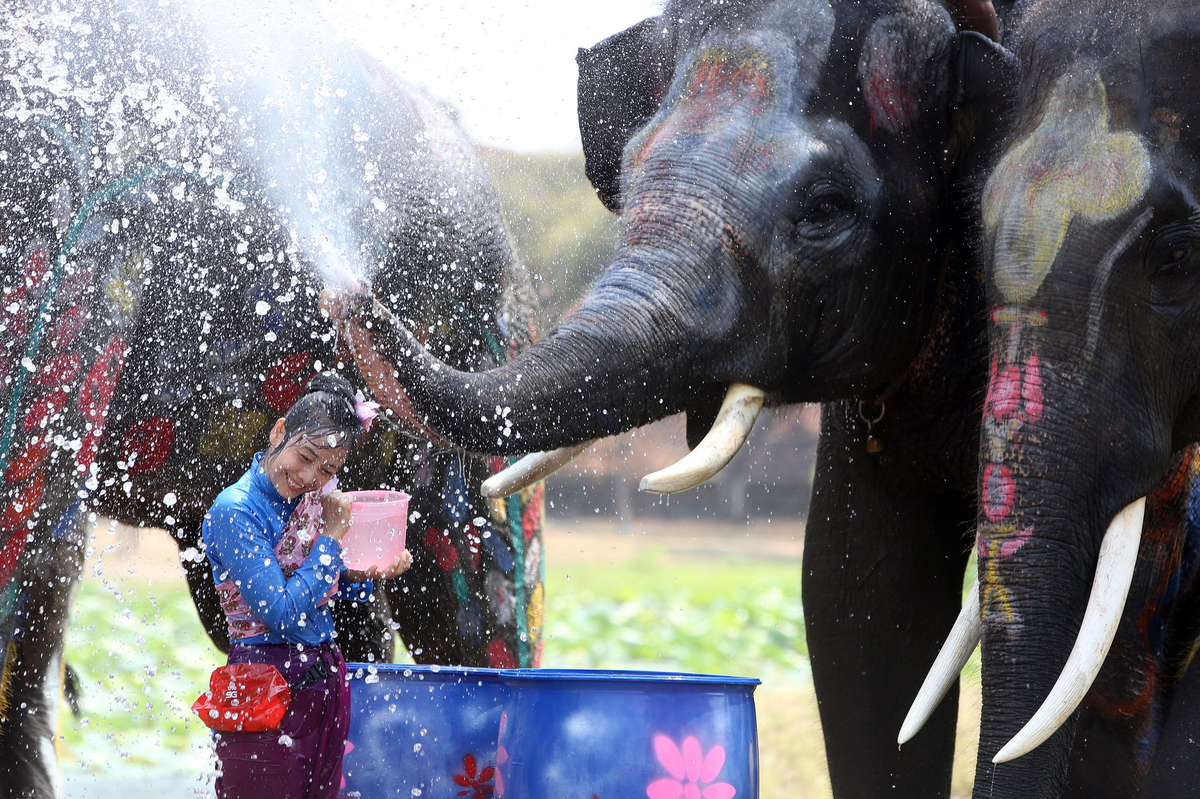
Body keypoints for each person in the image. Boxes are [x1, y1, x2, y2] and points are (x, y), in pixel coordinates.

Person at [202, 372, 411, 798]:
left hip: (324, 683)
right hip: (262, 689)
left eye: (328, 469)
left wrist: (361, 574)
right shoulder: (235, 510)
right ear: (280, 431)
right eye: (305, 457)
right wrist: (331, 540)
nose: (309, 476)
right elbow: (280, 613)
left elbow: (318, 588)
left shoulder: (312, 498)